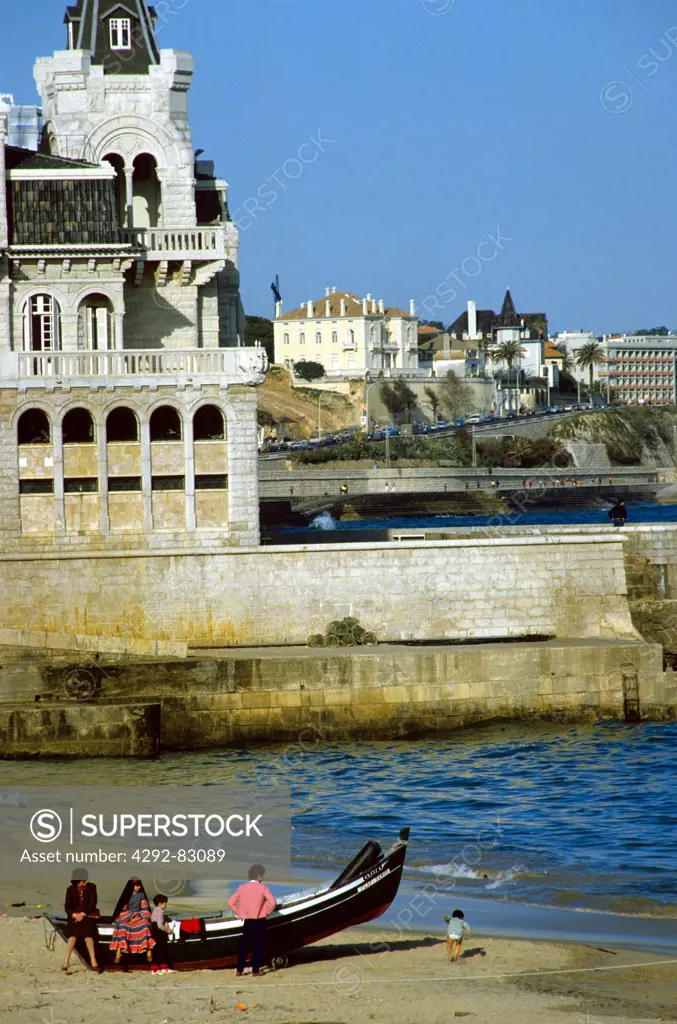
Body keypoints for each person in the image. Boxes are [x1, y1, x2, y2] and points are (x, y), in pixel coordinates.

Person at [228, 864, 276, 977]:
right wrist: (266, 912)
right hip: (259, 919)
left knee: (245, 945)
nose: (263, 878)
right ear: (259, 875)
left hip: (247, 920)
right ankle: (255, 970)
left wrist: (240, 912)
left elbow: (230, 903)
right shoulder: (263, 887)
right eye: (262, 875)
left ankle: (239, 970)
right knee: (257, 945)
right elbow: (273, 902)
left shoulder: (242, 887)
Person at [63, 869, 101, 973]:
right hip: (75, 917)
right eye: (83, 880)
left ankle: (94, 962)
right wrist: (74, 914)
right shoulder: (70, 890)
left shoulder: (91, 887)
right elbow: (67, 907)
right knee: (73, 936)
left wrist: (83, 914)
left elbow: (92, 904)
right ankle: (66, 962)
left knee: (89, 936)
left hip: (87, 916)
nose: (85, 882)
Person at [110, 879, 155, 966]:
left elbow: (145, 908)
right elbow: (122, 908)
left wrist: (138, 918)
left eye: (139, 885)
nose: (139, 887)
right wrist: (131, 918)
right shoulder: (126, 895)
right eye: (137, 886)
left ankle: (149, 951)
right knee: (122, 927)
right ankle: (119, 952)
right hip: (127, 917)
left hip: (139, 916)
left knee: (145, 925)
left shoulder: (141, 895)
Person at [150, 893, 173, 974]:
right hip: (158, 932)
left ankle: (155, 969)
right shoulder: (159, 911)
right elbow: (160, 925)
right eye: (165, 903)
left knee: (156, 950)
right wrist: (167, 930)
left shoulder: (155, 910)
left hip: (154, 930)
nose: (165, 905)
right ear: (160, 903)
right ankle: (163, 967)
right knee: (162, 949)